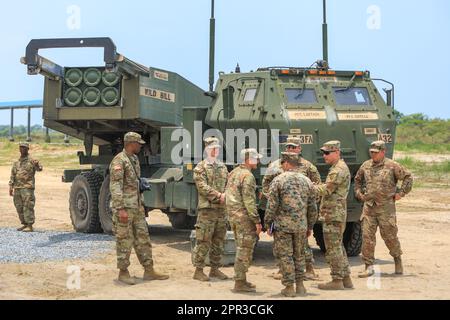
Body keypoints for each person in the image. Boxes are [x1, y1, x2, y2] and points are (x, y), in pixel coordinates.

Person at [109, 132, 169, 285]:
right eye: (138, 143)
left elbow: (132, 182)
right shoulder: (119, 161)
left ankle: (149, 270)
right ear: (130, 143)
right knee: (124, 240)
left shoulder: (134, 159)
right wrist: (120, 208)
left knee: (143, 239)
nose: (140, 146)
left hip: (137, 207)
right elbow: (115, 186)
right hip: (125, 209)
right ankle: (123, 272)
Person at [262, 137, 321, 280]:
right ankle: (283, 269)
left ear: (300, 149)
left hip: (300, 212)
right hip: (280, 213)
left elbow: (317, 186)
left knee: (303, 244)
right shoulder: (276, 165)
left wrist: (307, 202)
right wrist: (273, 199)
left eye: (294, 147)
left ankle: (309, 269)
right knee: (280, 243)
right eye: (288, 147)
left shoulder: (308, 166)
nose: (291, 149)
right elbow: (266, 184)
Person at [355, 140, 413, 277]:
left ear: (383, 152)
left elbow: (408, 177)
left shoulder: (392, 166)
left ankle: (397, 260)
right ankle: (368, 266)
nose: (373, 155)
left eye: (376, 153)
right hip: (369, 208)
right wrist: (359, 194)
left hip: (386, 209)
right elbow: (357, 180)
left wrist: (401, 193)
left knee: (390, 237)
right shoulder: (366, 165)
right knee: (367, 237)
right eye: (371, 152)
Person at [316, 141, 353, 290]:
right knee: (338, 246)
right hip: (335, 212)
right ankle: (346, 278)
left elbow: (326, 189)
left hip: (333, 213)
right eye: (323, 153)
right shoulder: (338, 168)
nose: (324, 156)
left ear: (337, 152)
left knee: (332, 248)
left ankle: (336, 280)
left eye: (327, 153)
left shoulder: (338, 170)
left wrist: (308, 187)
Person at [225, 148, 263, 293]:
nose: (258, 161)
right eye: (256, 158)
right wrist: (256, 220)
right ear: (248, 159)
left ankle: (242, 280)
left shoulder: (234, 172)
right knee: (245, 249)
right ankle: (239, 283)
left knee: (241, 247)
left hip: (233, 216)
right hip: (244, 217)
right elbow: (249, 201)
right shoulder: (248, 176)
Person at [192, 137, 229, 282]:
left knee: (219, 240)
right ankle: (198, 270)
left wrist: (225, 195)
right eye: (213, 148)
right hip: (207, 210)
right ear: (207, 150)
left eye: (217, 148)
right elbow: (202, 187)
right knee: (203, 240)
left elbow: (228, 184)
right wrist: (218, 196)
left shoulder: (223, 167)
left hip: (221, 210)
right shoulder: (200, 168)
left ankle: (215, 269)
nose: (216, 150)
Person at [9, 142, 43, 233]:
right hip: (17, 187)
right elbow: (13, 175)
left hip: (27, 187)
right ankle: (24, 223)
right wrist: (10, 186)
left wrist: (36, 165)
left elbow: (39, 169)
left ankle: (30, 225)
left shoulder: (32, 160)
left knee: (28, 206)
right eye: (20, 147)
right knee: (18, 206)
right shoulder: (17, 162)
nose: (22, 149)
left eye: (24, 148)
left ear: (27, 149)